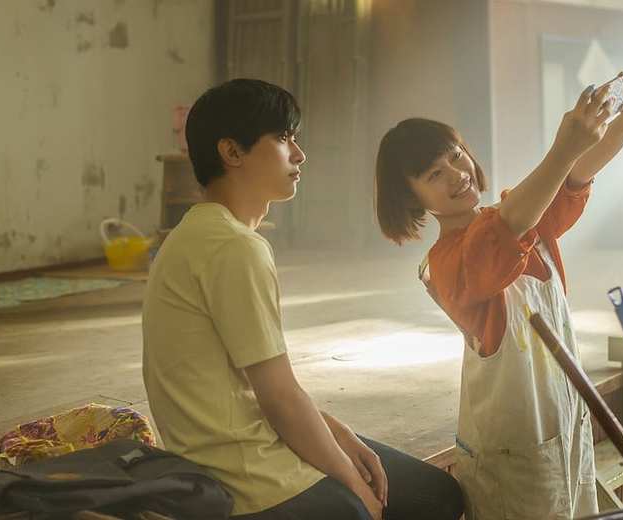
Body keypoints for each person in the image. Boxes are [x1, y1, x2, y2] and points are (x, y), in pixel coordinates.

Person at [142, 78, 464, 520]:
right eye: (282, 138)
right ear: (232, 152)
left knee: (424, 489)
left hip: (227, 456)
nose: (299, 154)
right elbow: (278, 398)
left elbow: (264, 388)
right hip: (249, 480)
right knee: (420, 501)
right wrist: (355, 489)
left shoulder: (195, 233)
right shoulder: (234, 247)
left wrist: (338, 433)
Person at [374, 76, 623, 519]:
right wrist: (564, 147)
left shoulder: (520, 216)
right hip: (513, 457)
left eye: (456, 156)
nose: (457, 174)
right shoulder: (448, 264)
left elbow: (571, 179)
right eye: (434, 175)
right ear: (411, 199)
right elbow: (506, 229)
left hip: (565, 428)